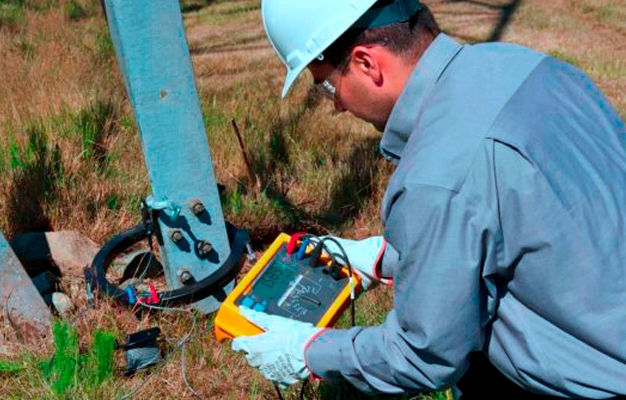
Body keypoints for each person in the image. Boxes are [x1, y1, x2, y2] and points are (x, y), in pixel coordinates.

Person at [230, 0, 626, 398]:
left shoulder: (435, 177)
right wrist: (389, 257)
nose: (337, 104)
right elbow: (529, 217)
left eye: (327, 86)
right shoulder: (530, 67)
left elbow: (423, 355)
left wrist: (312, 351)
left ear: (367, 63)